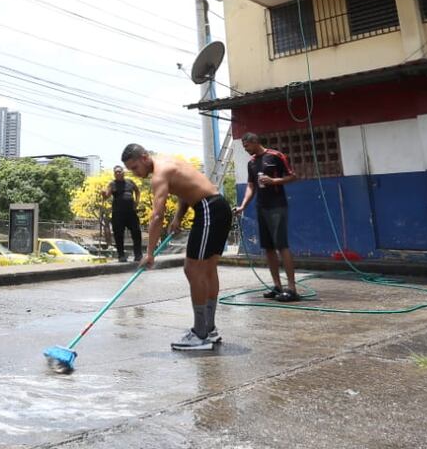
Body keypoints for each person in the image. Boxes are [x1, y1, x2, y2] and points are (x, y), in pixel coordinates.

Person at [123, 143, 232, 352]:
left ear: (144, 157)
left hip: (208, 209)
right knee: (208, 270)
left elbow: (157, 215)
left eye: (135, 168)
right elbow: (185, 191)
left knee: (192, 269)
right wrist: (178, 218)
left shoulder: (159, 175)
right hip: (217, 207)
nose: (135, 174)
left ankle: (200, 334)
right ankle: (209, 329)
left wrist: (149, 253)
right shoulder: (169, 162)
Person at [234, 133, 301, 302]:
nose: (246, 149)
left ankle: (292, 289)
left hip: (277, 206)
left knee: (281, 245)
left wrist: (273, 181)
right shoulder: (251, 163)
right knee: (268, 248)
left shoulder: (276, 156)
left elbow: (293, 176)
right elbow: (251, 186)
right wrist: (243, 206)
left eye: (247, 146)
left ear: (255, 142)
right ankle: (277, 286)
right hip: (261, 207)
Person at [101, 165, 143, 262]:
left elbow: (137, 191)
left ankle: (138, 255)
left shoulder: (130, 182)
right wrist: (103, 193)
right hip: (118, 213)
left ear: (123, 172)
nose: (118, 173)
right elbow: (106, 196)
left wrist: (137, 202)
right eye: (116, 172)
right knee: (118, 234)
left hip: (131, 212)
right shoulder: (112, 184)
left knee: (136, 232)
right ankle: (121, 256)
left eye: (119, 171)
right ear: (114, 174)